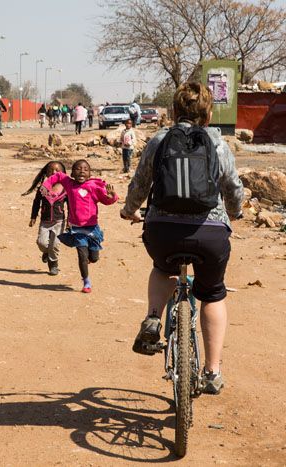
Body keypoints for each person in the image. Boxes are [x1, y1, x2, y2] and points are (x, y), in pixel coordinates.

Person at [120, 82, 244, 395]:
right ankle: (212, 371)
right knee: (213, 293)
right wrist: (235, 212)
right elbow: (232, 186)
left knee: (164, 268)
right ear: (209, 113)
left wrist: (129, 210)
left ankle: (152, 318)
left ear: (175, 111)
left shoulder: (160, 139)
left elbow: (140, 183)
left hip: (164, 230)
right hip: (210, 233)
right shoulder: (217, 142)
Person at [42, 160, 118, 293]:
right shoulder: (69, 184)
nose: (82, 171)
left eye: (85, 169)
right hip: (77, 229)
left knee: (94, 258)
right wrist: (47, 184)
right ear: (72, 173)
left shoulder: (93, 187)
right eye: (78, 168)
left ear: (89, 174)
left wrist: (112, 197)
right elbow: (59, 176)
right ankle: (86, 281)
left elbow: (106, 200)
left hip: (92, 229)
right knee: (82, 255)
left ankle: (89, 258)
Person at [24, 161, 67, 275]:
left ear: (63, 173)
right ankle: (46, 252)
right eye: (50, 170)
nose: (54, 172)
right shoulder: (43, 189)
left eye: (57, 170)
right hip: (45, 222)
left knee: (55, 244)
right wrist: (33, 217)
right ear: (46, 173)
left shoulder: (66, 189)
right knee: (41, 243)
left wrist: (71, 221)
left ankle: (53, 265)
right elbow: (36, 202)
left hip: (59, 221)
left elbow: (72, 205)